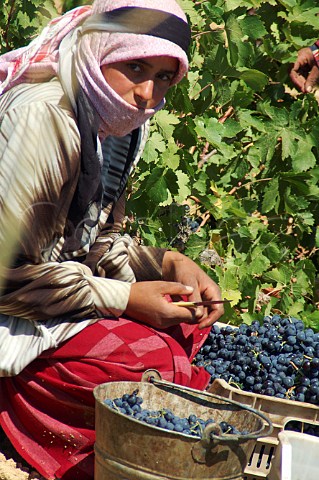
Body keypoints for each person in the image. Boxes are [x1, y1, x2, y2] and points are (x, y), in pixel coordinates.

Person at [0, 1, 224, 478]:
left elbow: (91, 242)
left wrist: (166, 263)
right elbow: (6, 276)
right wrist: (124, 299)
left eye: (165, 77)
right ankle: (15, 411)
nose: (147, 92)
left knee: (190, 327)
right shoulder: (43, 119)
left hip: (50, 300)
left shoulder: (110, 117)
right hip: (12, 307)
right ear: (100, 48)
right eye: (136, 66)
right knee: (149, 371)